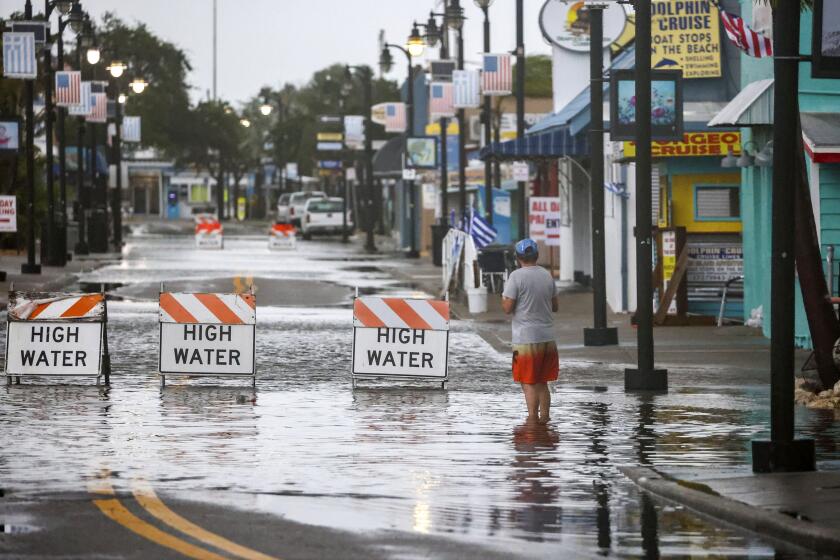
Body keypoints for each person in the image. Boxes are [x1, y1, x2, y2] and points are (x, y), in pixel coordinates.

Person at [502, 238, 559, 423]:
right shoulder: (546, 275)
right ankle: (545, 419)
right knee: (543, 381)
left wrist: (504, 299)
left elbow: (508, 308)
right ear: (537, 255)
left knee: (528, 382)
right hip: (547, 337)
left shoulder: (516, 277)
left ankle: (532, 421)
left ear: (518, 257)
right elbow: (555, 306)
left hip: (526, 338)